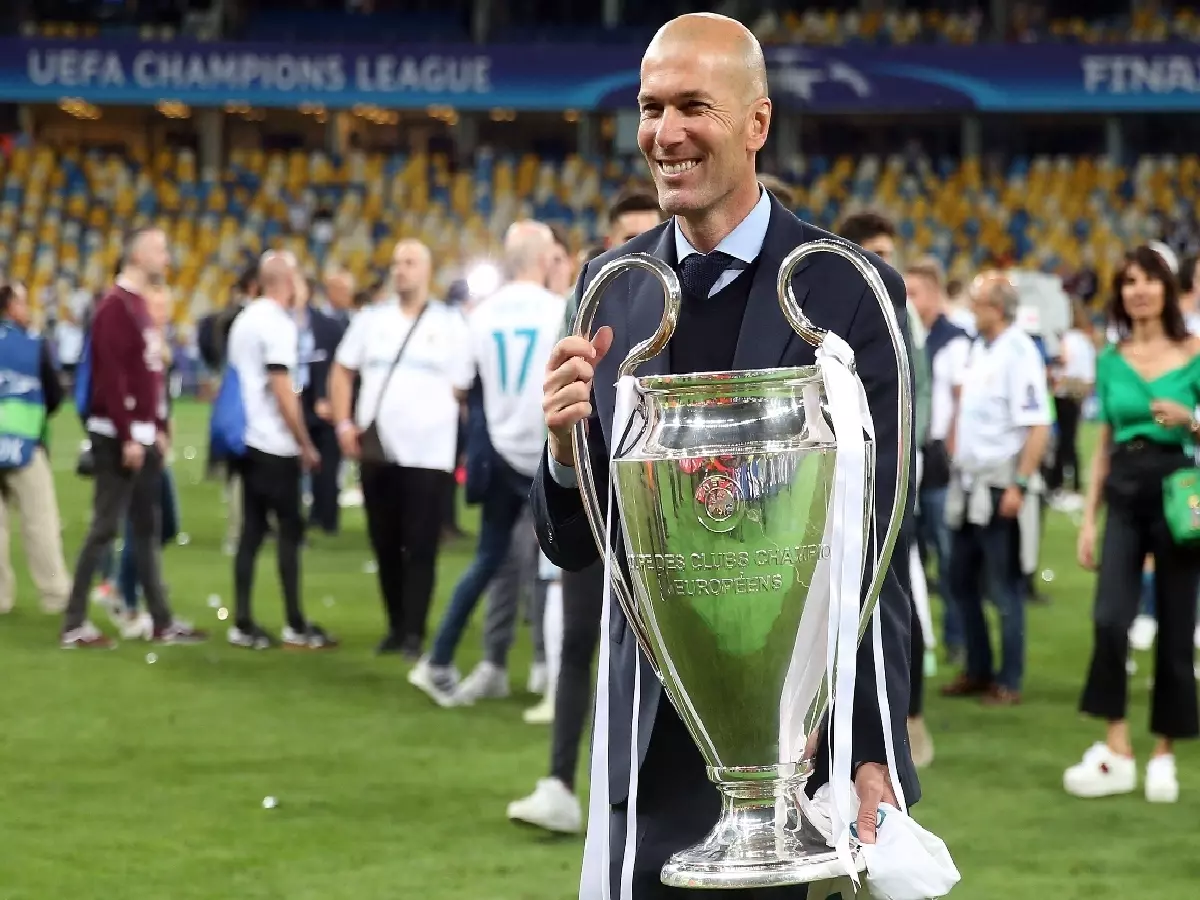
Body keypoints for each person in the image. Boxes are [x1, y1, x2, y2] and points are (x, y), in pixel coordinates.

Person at [531, 14, 916, 897]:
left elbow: (880, 543)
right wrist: (561, 453)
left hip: (796, 739)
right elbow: (574, 543)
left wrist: (873, 752)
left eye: (693, 107)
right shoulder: (610, 287)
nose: (665, 135)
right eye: (650, 108)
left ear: (757, 123)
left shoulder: (847, 288)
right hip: (647, 732)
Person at [508, 194, 666, 835]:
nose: (634, 249)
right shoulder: (594, 294)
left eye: (643, 235)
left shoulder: (676, 297)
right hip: (596, 503)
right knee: (578, 642)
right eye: (623, 238)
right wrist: (564, 447)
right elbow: (562, 393)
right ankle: (559, 782)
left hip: (660, 517)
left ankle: (640, 794)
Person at [409, 221, 566, 706]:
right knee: (555, 567)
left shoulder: (481, 314)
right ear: (544, 261)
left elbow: (459, 386)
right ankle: (549, 672)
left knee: (490, 562)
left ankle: (448, 659)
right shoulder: (560, 310)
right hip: (548, 452)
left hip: (497, 454)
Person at [1066, 245, 1200, 804]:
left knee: (1175, 627)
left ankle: (1163, 752)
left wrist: (1190, 420)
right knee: (1110, 620)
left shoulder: (1194, 351)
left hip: (1176, 490)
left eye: (1148, 281)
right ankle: (1117, 746)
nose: (1137, 290)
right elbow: (1101, 445)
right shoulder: (1111, 357)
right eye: (1128, 282)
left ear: (1167, 289)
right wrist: (1088, 521)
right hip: (1122, 489)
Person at [61, 228, 206, 648]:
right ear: (138, 255)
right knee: (105, 527)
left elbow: (148, 377)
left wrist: (156, 428)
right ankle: (73, 622)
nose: (167, 255)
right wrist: (129, 435)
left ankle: (161, 620)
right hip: (118, 436)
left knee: (146, 526)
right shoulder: (114, 307)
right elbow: (111, 377)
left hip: (141, 435)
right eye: (160, 248)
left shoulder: (137, 306)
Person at [330, 239, 473, 659]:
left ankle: (413, 631)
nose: (400, 270)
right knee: (384, 542)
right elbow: (342, 370)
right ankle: (395, 626)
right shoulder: (371, 320)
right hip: (379, 452)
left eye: (409, 262)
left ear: (427, 270)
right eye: (395, 263)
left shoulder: (450, 324)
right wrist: (342, 421)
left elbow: (461, 386)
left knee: (422, 545)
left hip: (429, 455)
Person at [837, 212, 937, 769]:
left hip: (894, 476)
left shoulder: (901, 314)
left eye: (887, 250)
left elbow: (912, 399)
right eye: (871, 249)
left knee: (896, 594)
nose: (882, 261)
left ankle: (905, 718)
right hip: (843, 475)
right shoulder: (835, 303)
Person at [940, 272, 1051, 706]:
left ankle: (1010, 678)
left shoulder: (1019, 351)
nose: (972, 309)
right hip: (968, 483)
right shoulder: (978, 348)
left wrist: (1019, 484)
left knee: (1004, 588)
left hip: (999, 483)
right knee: (960, 580)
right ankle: (979, 668)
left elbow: (1037, 426)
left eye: (980, 303)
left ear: (999, 308)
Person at [225, 252, 333, 650]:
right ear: (288, 282)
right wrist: (304, 442)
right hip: (273, 442)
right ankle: (294, 621)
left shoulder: (245, 318)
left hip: (245, 440)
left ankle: (243, 621)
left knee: (251, 534)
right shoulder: (276, 323)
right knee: (290, 531)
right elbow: (282, 390)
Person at [0, 280, 70, 617]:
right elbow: (54, 395)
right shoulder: (32, 344)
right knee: (41, 524)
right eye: (22, 303)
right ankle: (55, 594)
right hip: (25, 443)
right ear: (10, 307)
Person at [294, 275, 346, 535]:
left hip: (324, 407)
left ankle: (326, 518)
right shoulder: (279, 325)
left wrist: (332, 400)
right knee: (292, 466)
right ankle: (292, 521)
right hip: (294, 405)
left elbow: (340, 369)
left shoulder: (328, 327)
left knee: (328, 465)